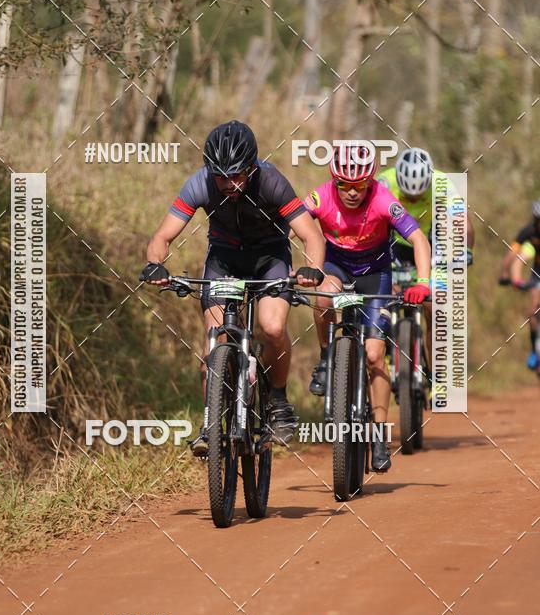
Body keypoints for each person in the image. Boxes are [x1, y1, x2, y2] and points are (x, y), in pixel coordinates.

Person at [141, 120, 326, 454]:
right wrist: (156, 263)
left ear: (252, 167)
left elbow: (311, 234)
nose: (229, 183)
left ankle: (278, 401)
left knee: (272, 327)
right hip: (224, 260)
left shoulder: (272, 182)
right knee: (214, 343)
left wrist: (312, 268)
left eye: (237, 175)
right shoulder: (200, 184)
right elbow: (163, 236)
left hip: (269, 258)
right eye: (221, 176)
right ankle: (211, 425)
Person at [305, 142, 431, 472]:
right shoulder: (320, 196)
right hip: (336, 268)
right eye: (343, 184)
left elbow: (419, 239)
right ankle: (324, 358)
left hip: (376, 275)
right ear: (333, 180)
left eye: (358, 185)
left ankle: (377, 434)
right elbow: (292, 222)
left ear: (370, 181)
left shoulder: (383, 200)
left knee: (375, 354)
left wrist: (423, 282)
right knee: (321, 298)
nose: (350, 192)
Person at [378, 148, 475, 365]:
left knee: (434, 306)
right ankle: (384, 342)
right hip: (395, 243)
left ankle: (436, 374)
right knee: (385, 294)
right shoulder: (384, 182)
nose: (413, 199)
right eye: (408, 195)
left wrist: (465, 250)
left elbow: (463, 223)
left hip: (433, 243)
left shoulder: (443, 184)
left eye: (418, 195)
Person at [499, 200, 540, 370]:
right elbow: (516, 256)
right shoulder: (529, 233)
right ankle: (533, 351)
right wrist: (509, 276)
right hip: (538, 274)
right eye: (538, 220)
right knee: (533, 311)